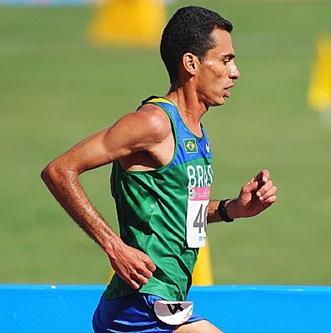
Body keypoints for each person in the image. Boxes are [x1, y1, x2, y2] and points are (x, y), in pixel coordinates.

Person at [41, 6, 277, 333]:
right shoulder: (153, 123)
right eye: (225, 60)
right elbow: (59, 170)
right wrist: (113, 245)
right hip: (140, 304)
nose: (235, 72)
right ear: (191, 63)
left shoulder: (194, 132)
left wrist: (231, 209)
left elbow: (174, 211)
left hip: (162, 302)